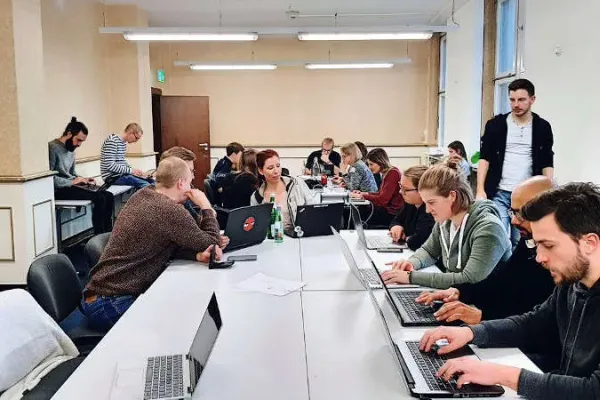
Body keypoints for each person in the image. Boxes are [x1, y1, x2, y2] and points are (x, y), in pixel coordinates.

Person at [420, 182, 600, 400]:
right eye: (537, 245)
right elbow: (531, 324)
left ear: (589, 243)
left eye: (549, 246)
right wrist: (470, 332)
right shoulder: (572, 284)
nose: (540, 257)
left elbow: (593, 390)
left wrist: (502, 375)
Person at [81, 157, 222, 331]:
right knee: (181, 321)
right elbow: (214, 244)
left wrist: (195, 255)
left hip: (99, 296)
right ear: (181, 183)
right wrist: (206, 206)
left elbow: (164, 243)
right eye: (190, 183)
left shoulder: (144, 194)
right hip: (111, 304)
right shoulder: (169, 210)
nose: (192, 189)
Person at [416, 176, 555, 325]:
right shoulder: (529, 239)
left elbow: (540, 312)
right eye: (512, 212)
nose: (514, 221)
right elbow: (503, 279)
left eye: (521, 213)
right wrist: (459, 292)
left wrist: (484, 316)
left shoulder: (491, 228)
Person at [381, 161, 511, 289]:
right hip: (459, 296)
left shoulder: (489, 228)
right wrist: (411, 263)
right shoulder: (445, 220)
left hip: (486, 303)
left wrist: (410, 277)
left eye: (432, 202)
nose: (427, 210)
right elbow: (429, 251)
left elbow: (469, 279)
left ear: (452, 196)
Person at [477, 79, 554, 246]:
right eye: (512, 100)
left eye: (521, 100)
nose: (516, 104)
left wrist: (549, 190)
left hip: (527, 195)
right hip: (499, 191)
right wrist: (480, 190)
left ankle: (514, 271)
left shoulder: (542, 127)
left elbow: (547, 160)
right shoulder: (495, 125)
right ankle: (500, 271)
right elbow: (485, 158)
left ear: (532, 99)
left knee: (521, 240)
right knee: (499, 240)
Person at [49, 117, 114, 234]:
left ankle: (109, 234)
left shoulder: (71, 148)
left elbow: (72, 173)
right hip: (60, 190)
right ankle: (99, 236)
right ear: (69, 134)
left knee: (108, 195)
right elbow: (49, 178)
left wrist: (83, 179)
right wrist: (72, 182)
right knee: (100, 198)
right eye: (78, 140)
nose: (79, 144)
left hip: (71, 186)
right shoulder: (53, 148)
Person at [251, 149, 316, 229]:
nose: (276, 171)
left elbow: (314, 209)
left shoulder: (296, 184)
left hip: (299, 236)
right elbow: (256, 226)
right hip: (273, 239)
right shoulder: (257, 197)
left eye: (278, 166)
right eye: (270, 168)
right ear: (261, 171)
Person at [350, 148, 404, 227]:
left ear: (380, 162)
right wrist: (364, 193)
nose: (369, 167)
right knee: (357, 210)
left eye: (371, 164)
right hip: (387, 210)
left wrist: (362, 196)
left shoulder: (393, 173)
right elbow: (380, 193)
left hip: (391, 213)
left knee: (357, 213)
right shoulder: (387, 172)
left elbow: (382, 200)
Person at [389, 165, 435, 251]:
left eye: (405, 189)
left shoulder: (430, 211)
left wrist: (405, 238)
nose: (400, 192)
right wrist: (396, 227)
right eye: (400, 186)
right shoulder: (410, 203)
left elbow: (417, 242)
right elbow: (396, 220)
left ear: (422, 190)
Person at [100, 122, 153, 188]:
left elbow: (121, 162)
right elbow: (110, 165)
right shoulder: (112, 141)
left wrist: (134, 171)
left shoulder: (123, 143)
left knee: (152, 182)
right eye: (136, 138)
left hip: (121, 175)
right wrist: (131, 171)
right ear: (130, 132)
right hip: (111, 177)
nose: (136, 141)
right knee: (146, 185)